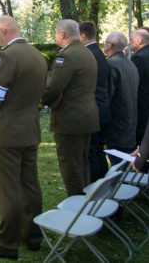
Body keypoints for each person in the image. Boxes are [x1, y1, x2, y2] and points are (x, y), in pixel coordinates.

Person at [0, 16, 48, 260]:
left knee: (8, 190)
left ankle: (7, 244)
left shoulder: (5, 56)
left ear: (4, 30)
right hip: (31, 129)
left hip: (8, 132)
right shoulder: (38, 55)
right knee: (30, 185)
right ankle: (33, 236)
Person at [41, 19, 99, 196]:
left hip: (70, 119)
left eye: (56, 33)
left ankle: (76, 209)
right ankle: (86, 204)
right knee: (82, 164)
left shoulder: (66, 56)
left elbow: (52, 87)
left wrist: (36, 101)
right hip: (87, 116)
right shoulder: (87, 52)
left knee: (71, 167)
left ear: (62, 34)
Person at [79, 21, 110, 182]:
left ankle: (96, 191)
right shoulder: (100, 53)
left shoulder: (89, 55)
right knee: (99, 151)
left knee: (92, 152)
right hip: (103, 107)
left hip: (94, 109)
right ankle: (104, 189)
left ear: (83, 36)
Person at [103, 32, 139, 164]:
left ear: (110, 45)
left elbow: (108, 95)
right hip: (130, 122)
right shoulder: (130, 64)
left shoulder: (111, 65)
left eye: (105, 42)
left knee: (118, 166)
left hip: (116, 125)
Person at [129, 28, 149, 145]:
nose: (128, 42)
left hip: (142, 111)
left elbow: (132, 84)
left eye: (131, 39)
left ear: (139, 41)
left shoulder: (139, 58)